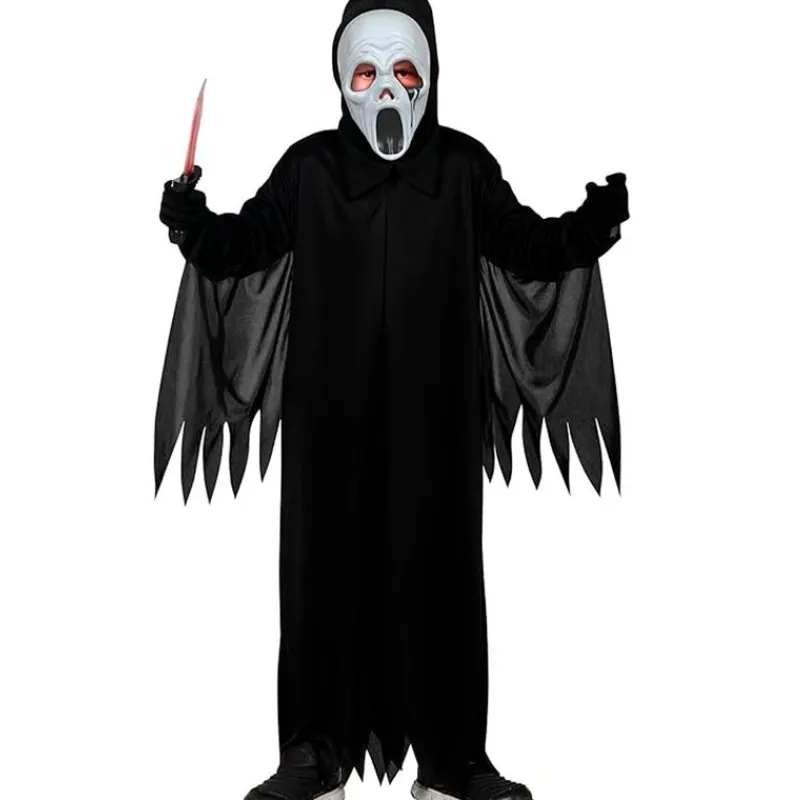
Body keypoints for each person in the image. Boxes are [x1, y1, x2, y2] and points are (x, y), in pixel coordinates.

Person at [156, 1, 629, 799]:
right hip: (327, 416)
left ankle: (453, 761)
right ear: (342, 78)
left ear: (430, 76)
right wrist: (193, 222)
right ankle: (314, 755)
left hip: (437, 414)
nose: (386, 89)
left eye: (404, 69)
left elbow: (526, 247)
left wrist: (590, 225)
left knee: (443, 573)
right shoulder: (310, 168)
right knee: (319, 574)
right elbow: (245, 245)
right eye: (368, 70)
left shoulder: (462, 168)